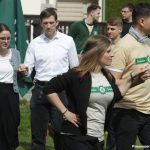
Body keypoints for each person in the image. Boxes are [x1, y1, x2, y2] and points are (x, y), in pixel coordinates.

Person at [43, 35, 147, 150]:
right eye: (108, 51)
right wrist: (65, 112)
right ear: (96, 53)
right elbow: (49, 88)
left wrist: (133, 79)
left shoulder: (107, 76)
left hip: (98, 139)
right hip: (76, 137)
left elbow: (116, 95)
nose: (112, 55)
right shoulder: (77, 74)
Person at [19, 8, 79, 150]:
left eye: (51, 22)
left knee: (60, 131)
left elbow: (75, 68)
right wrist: (24, 70)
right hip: (40, 90)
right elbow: (28, 69)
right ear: (41, 24)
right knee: (37, 134)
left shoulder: (68, 41)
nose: (48, 26)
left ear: (57, 22)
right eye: (45, 23)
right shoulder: (35, 43)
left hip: (61, 91)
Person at [109, 3, 150, 150]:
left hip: (148, 111)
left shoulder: (148, 42)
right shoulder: (123, 46)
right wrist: (135, 78)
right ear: (142, 21)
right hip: (127, 111)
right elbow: (113, 84)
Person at [0, 23, 21, 149]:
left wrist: (24, 72)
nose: (6, 41)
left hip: (11, 91)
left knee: (12, 123)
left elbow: (20, 73)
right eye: (2, 38)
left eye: (8, 38)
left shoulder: (15, 53)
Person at [106, 17, 123, 150]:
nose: (109, 31)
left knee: (114, 131)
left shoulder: (123, 47)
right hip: (106, 91)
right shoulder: (107, 46)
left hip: (119, 93)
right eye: (107, 28)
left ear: (120, 29)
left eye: (112, 29)